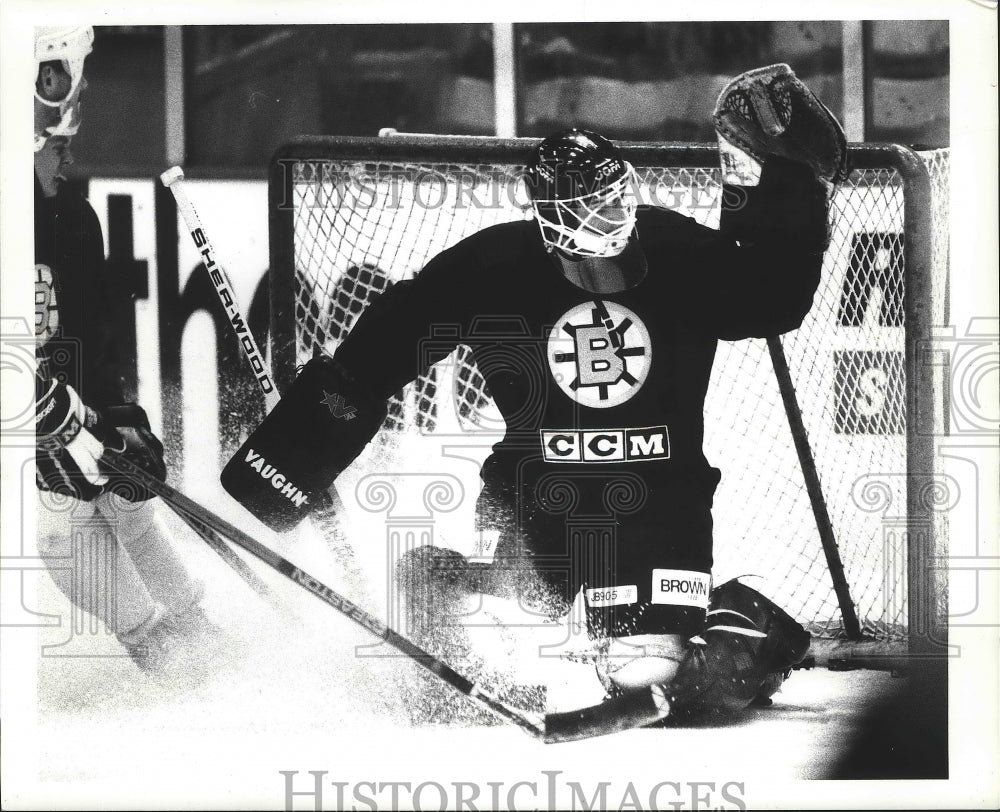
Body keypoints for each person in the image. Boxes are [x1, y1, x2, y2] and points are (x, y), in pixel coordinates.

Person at [223, 67, 842, 717]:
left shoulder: (674, 249)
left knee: (652, 677)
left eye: (613, 203)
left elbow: (771, 296)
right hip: (534, 501)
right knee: (515, 629)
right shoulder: (496, 265)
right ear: (547, 219)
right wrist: (296, 451)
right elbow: (382, 349)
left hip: (660, 507)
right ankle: (438, 580)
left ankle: (746, 625)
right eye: (586, 211)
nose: (604, 223)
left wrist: (790, 181)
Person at [33, 26, 208, 672]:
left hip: (42, 405)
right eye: (56, 144)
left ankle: (197, 625)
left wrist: (114, 418)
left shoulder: (72, 219)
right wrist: (38, 418)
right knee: (53, 522)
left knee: (119, 488)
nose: (67, 154)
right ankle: (154, 646)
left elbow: (85, 341)